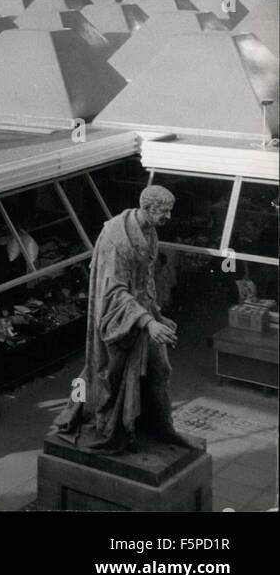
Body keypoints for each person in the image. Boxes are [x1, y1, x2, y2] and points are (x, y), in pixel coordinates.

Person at [52, 186, 196, 454]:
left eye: (169, 210)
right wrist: (148, 322)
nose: (168, 216)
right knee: (110, 379)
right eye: (163, 211)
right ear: (147, 207)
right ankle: (109, 427)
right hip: (118, 321)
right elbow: (114, 292)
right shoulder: (116, 239)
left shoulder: (150, 231)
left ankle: (164, 429)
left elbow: (145, 282)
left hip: (140, 317)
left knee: (161, 370)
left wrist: (156, 314)